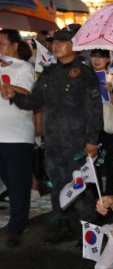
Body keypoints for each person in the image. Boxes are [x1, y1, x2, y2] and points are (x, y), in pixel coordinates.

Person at [2, 25, 102, 244]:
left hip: (78, 143)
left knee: (81, 186)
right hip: (54, 142)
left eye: (62, 42)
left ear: (74, 46)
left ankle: (90, 234)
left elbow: (94, 109)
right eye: (54, 42)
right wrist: (13, 95)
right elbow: (34, 102)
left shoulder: (85, 73)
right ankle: (63, 226)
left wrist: (92, 140)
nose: (56, 46)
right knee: (58, 186)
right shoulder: (48, 72)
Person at [0, 29, 35, 247]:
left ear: (14, 45)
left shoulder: (24, 67)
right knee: (6, 179)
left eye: (2, 43)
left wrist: (7, 85)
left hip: (17, 135)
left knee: (18, 181)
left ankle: (17, 225)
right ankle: (15, 220)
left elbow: (27, 93)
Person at [89, 49, 113, 195]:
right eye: (94, 56)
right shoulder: (87, 78)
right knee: (94, 164)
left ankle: (111, 197)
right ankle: (96, 198)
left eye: (101, 57)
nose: (96, 60)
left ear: (108, 59)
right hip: (93, 128)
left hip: (110, 128)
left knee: (111, 164)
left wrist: (109, 91)